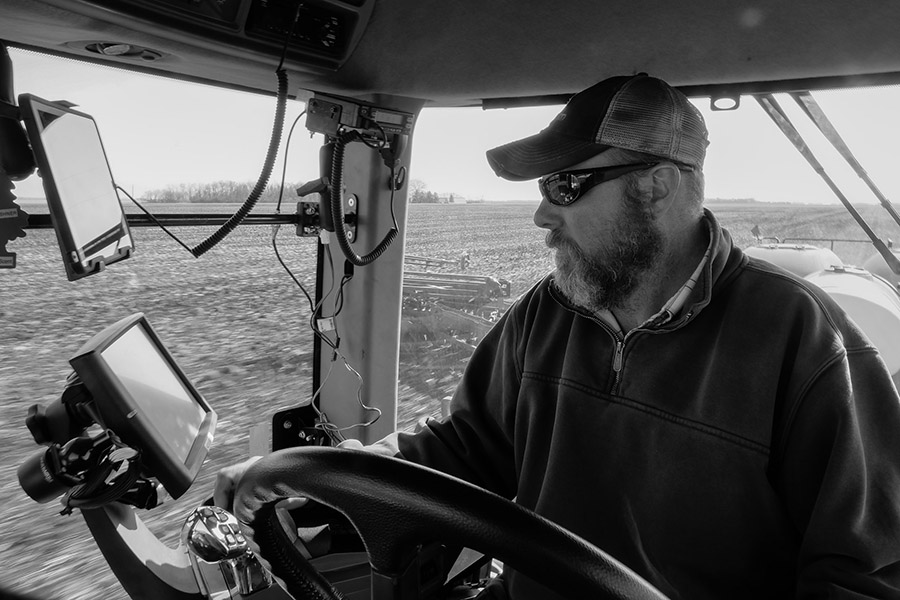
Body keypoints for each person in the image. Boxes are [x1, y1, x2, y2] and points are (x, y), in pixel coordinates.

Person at [217, 73, 900, 599]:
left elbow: (867, 573)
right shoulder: (546, 313)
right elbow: (464, 447)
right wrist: (325, 479)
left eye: (566, 184)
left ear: (657, 186)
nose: (542, 213)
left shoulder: (800, 338)